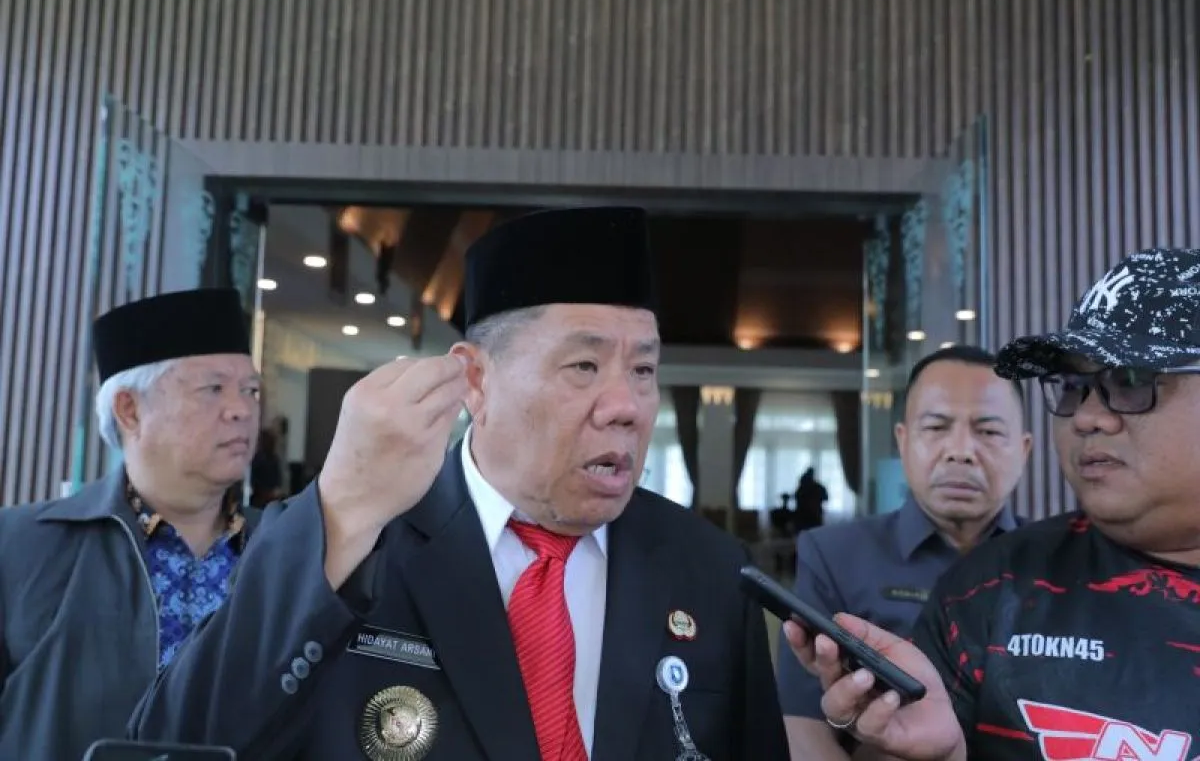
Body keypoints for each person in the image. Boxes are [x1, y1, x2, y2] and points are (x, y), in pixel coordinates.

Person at [129, 207, 789, 761]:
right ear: (475, 379)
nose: (626, 406)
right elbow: (173, 745)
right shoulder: (354, 541)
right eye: (584, 366)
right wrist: (344, 508)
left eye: (643, 371)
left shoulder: (707, 569)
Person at [784, 248, 1200, 760]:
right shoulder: (986, 591)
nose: (1087, 417)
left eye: (1131, 381)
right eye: (1074, 387)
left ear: (1021, 448)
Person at [0, 288, 263, 761]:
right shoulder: (18, 547)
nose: (241, 410)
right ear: (130, 410)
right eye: (213, 389)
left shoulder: (283, 548)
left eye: (251, 390)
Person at [777, 345, 1031, 759]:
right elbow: (803, 725)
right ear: (903, 439)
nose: (961, 451)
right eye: (936, 427)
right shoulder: (834, 556)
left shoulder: (1059, 565)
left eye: (988, 431)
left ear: (1024, 450)